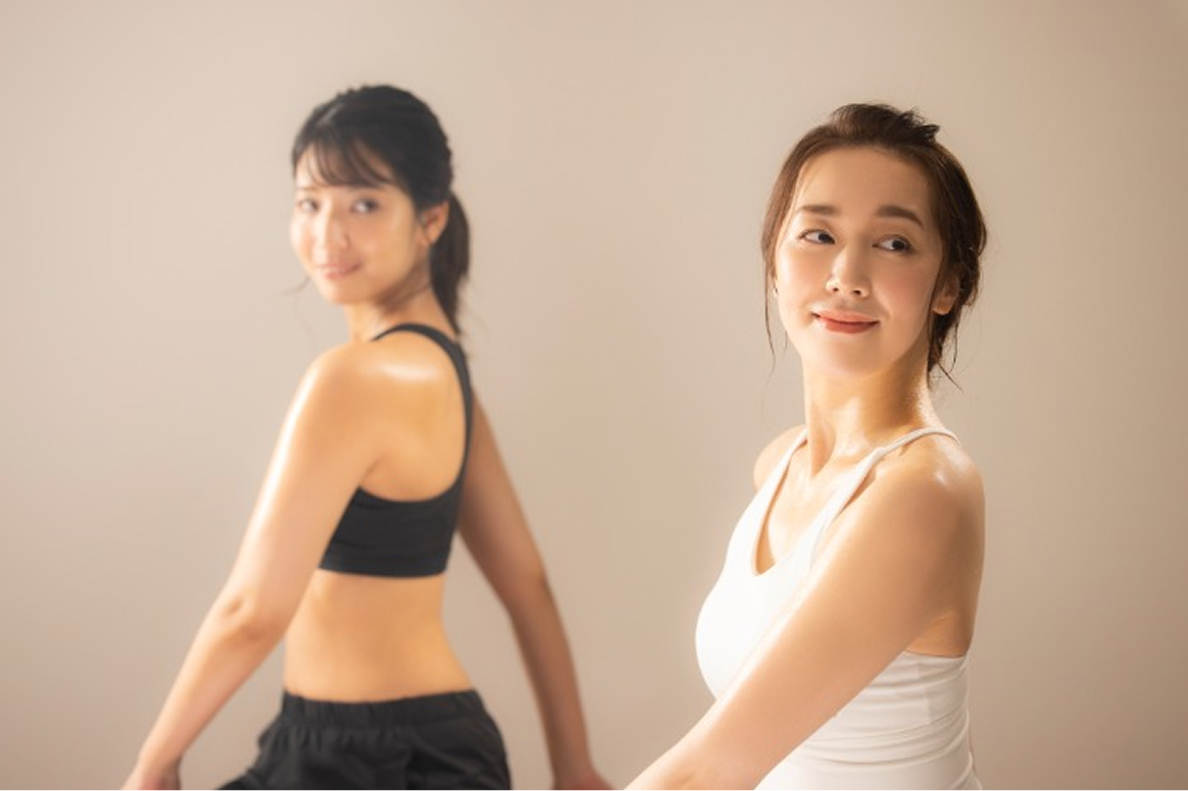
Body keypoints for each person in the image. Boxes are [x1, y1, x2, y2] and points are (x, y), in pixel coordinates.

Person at [123, 85, 608, 790]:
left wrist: (154, 762)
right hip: (387, 748)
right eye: (309, 203)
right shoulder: (448, 379)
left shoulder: (352, 379)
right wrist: (574, 764)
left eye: (363, 204)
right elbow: (527, 583)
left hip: (380, 759)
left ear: (431, 218)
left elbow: (253, 611)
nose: (328, 234)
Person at [630, 103, 987, 789]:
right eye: (818, 234)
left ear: (948, 284)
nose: (846, 274)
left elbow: (706, 773)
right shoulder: (780, 465)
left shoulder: (924, 491)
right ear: (774, 258)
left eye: (894, 243)